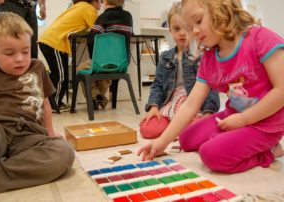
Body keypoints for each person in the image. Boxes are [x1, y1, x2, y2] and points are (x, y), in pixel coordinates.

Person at [138, 0, 284, 173]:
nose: (195, 31)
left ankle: (269, 151)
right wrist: (162, 142)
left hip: (265, 124)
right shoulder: (209, 58)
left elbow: (281, 91)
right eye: (191, 27)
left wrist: (244, 120)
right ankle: (235, 139)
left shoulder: (260, 38)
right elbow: (191, 104)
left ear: (222, 8)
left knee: (211, 155)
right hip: (234, 116)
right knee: (185, 138)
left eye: (198, 21)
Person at [0, 12, 74, 193]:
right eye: (9, 53)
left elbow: (45, 105)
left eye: (26, 51)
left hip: (30, 135)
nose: (20, 59)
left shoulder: (37, 67)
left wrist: (50, 133)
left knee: (63, 153)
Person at [139, 2, 219, 139]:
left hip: (194, 106)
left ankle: (181, 128)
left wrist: (208, 112)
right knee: (147, 130)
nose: (182, 33)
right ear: (169, 30)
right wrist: (154, 107)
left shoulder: (202, 57)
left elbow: (212, 87)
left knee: (197, 128)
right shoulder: (165, 57)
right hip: (171, 104)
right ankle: (177, 127)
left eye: (187, 28)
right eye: (176, 29)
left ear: (194, 28)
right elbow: (157, 85)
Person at [38, 0, 102, 113]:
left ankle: (56, 102)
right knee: (60, 75)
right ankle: (54, 104)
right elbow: (96, 30)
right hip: (54, 42)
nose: (101, 4)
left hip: (54, 41)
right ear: (95, 1)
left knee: (63, 74)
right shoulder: (89, 9)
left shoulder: (78, 6)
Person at [77, 0, 133, 110]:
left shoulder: (103, 17)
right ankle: (98, 98)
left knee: (82, 69)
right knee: (106, 76)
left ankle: (96, 97)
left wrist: (93, 58)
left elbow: (92, 39)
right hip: (122, 63)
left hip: (103, 63)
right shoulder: (128, 17)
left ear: (105, 2)